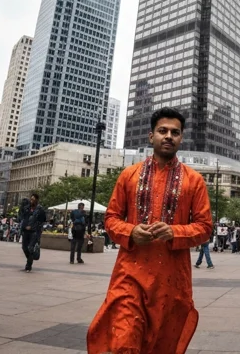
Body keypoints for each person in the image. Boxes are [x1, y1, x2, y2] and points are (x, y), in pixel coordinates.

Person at [87, 107, 212, 354]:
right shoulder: (128, 175)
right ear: (150, 136)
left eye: (175, 132)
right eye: (162, 131)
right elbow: (111, 219)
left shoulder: (194, 180)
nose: (168, 136)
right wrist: (131, 231)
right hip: (129, 276)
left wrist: (174, 232)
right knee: (125, 342)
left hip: (172, 283)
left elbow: (205, 227)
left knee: (161, 346)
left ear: (181, 138)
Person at [19, 193, 46, 272]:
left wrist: (33, 227)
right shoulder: (26, 208)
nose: (31, 201)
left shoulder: (40, 209)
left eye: (33, 199)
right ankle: (30, 259)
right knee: (24, 247)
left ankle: (28, 265)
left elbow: (42, 221)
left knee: (30, 248)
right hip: (25, 231)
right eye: (31, 199)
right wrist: (24, 226)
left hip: (34, 232)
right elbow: (23, 218)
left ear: (37, 200)